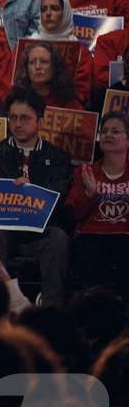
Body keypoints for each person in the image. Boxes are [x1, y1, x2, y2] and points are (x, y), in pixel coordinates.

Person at [0, 87, 72, 303]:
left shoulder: (58, 157)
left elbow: (58, 196)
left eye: (24, 118)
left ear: (40, 122)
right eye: (13, 118)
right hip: (7, 230)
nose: (17, 124)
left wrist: (32, 191)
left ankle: (51, 307)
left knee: (59, 238)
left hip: (41, 232)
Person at [67, 112, 129, 293]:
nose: (108, 135)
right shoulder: (85, 171)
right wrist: (89, 194)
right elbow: (74, 214)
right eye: (105, 131)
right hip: (92, 236)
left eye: (116, 131)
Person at [26, 0, 93, 104]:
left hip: (66, 106)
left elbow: (82, 90)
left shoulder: (81, 51)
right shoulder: (28, 44)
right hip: (29, 104)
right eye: (43, 9)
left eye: (54, 8)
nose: (48, 13)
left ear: (66, 12)